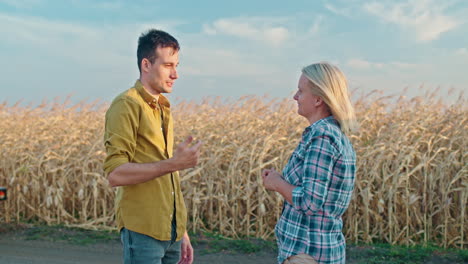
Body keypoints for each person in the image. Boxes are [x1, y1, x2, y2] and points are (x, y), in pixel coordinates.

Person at [103, 29, 202, 264]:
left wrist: (182, 231)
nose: (175, 74)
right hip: (143, 230)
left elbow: (168, 178)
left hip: (171, 232)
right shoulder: (126, 104)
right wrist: (174, 164)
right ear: (146, 64)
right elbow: (115, 174)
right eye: (168, 65)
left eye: (177, 65)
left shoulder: (163, 107)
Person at [261, 62, 356, 264]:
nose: (295, 97)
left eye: (301, 91)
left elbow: (310, 202)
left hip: (307, 253)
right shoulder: (332, 134)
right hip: (315, 250)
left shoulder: (322, 137)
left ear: (319, 99)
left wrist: (277, 183)